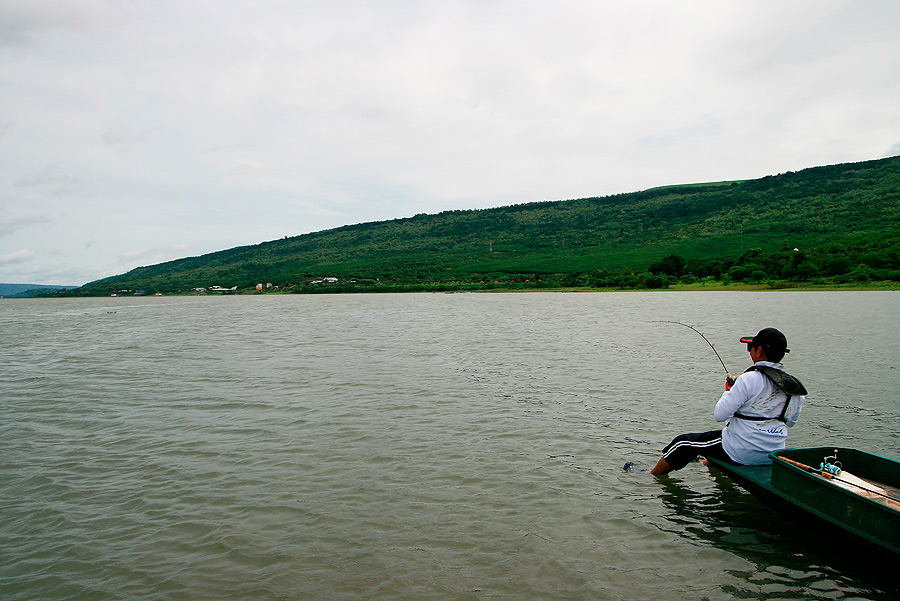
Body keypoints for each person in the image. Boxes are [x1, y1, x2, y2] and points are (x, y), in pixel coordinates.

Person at [648, 327, 807, 476]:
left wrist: (730, 390)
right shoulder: (794, 386)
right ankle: (708, 462)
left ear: (759, 351)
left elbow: (720, 414)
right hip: (772, 453)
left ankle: (651, 476)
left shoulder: (747, 380)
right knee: (720, 436)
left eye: (750, 347)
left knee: (682, 443)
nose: (749, 351)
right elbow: (791, 422)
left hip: (742, 452)